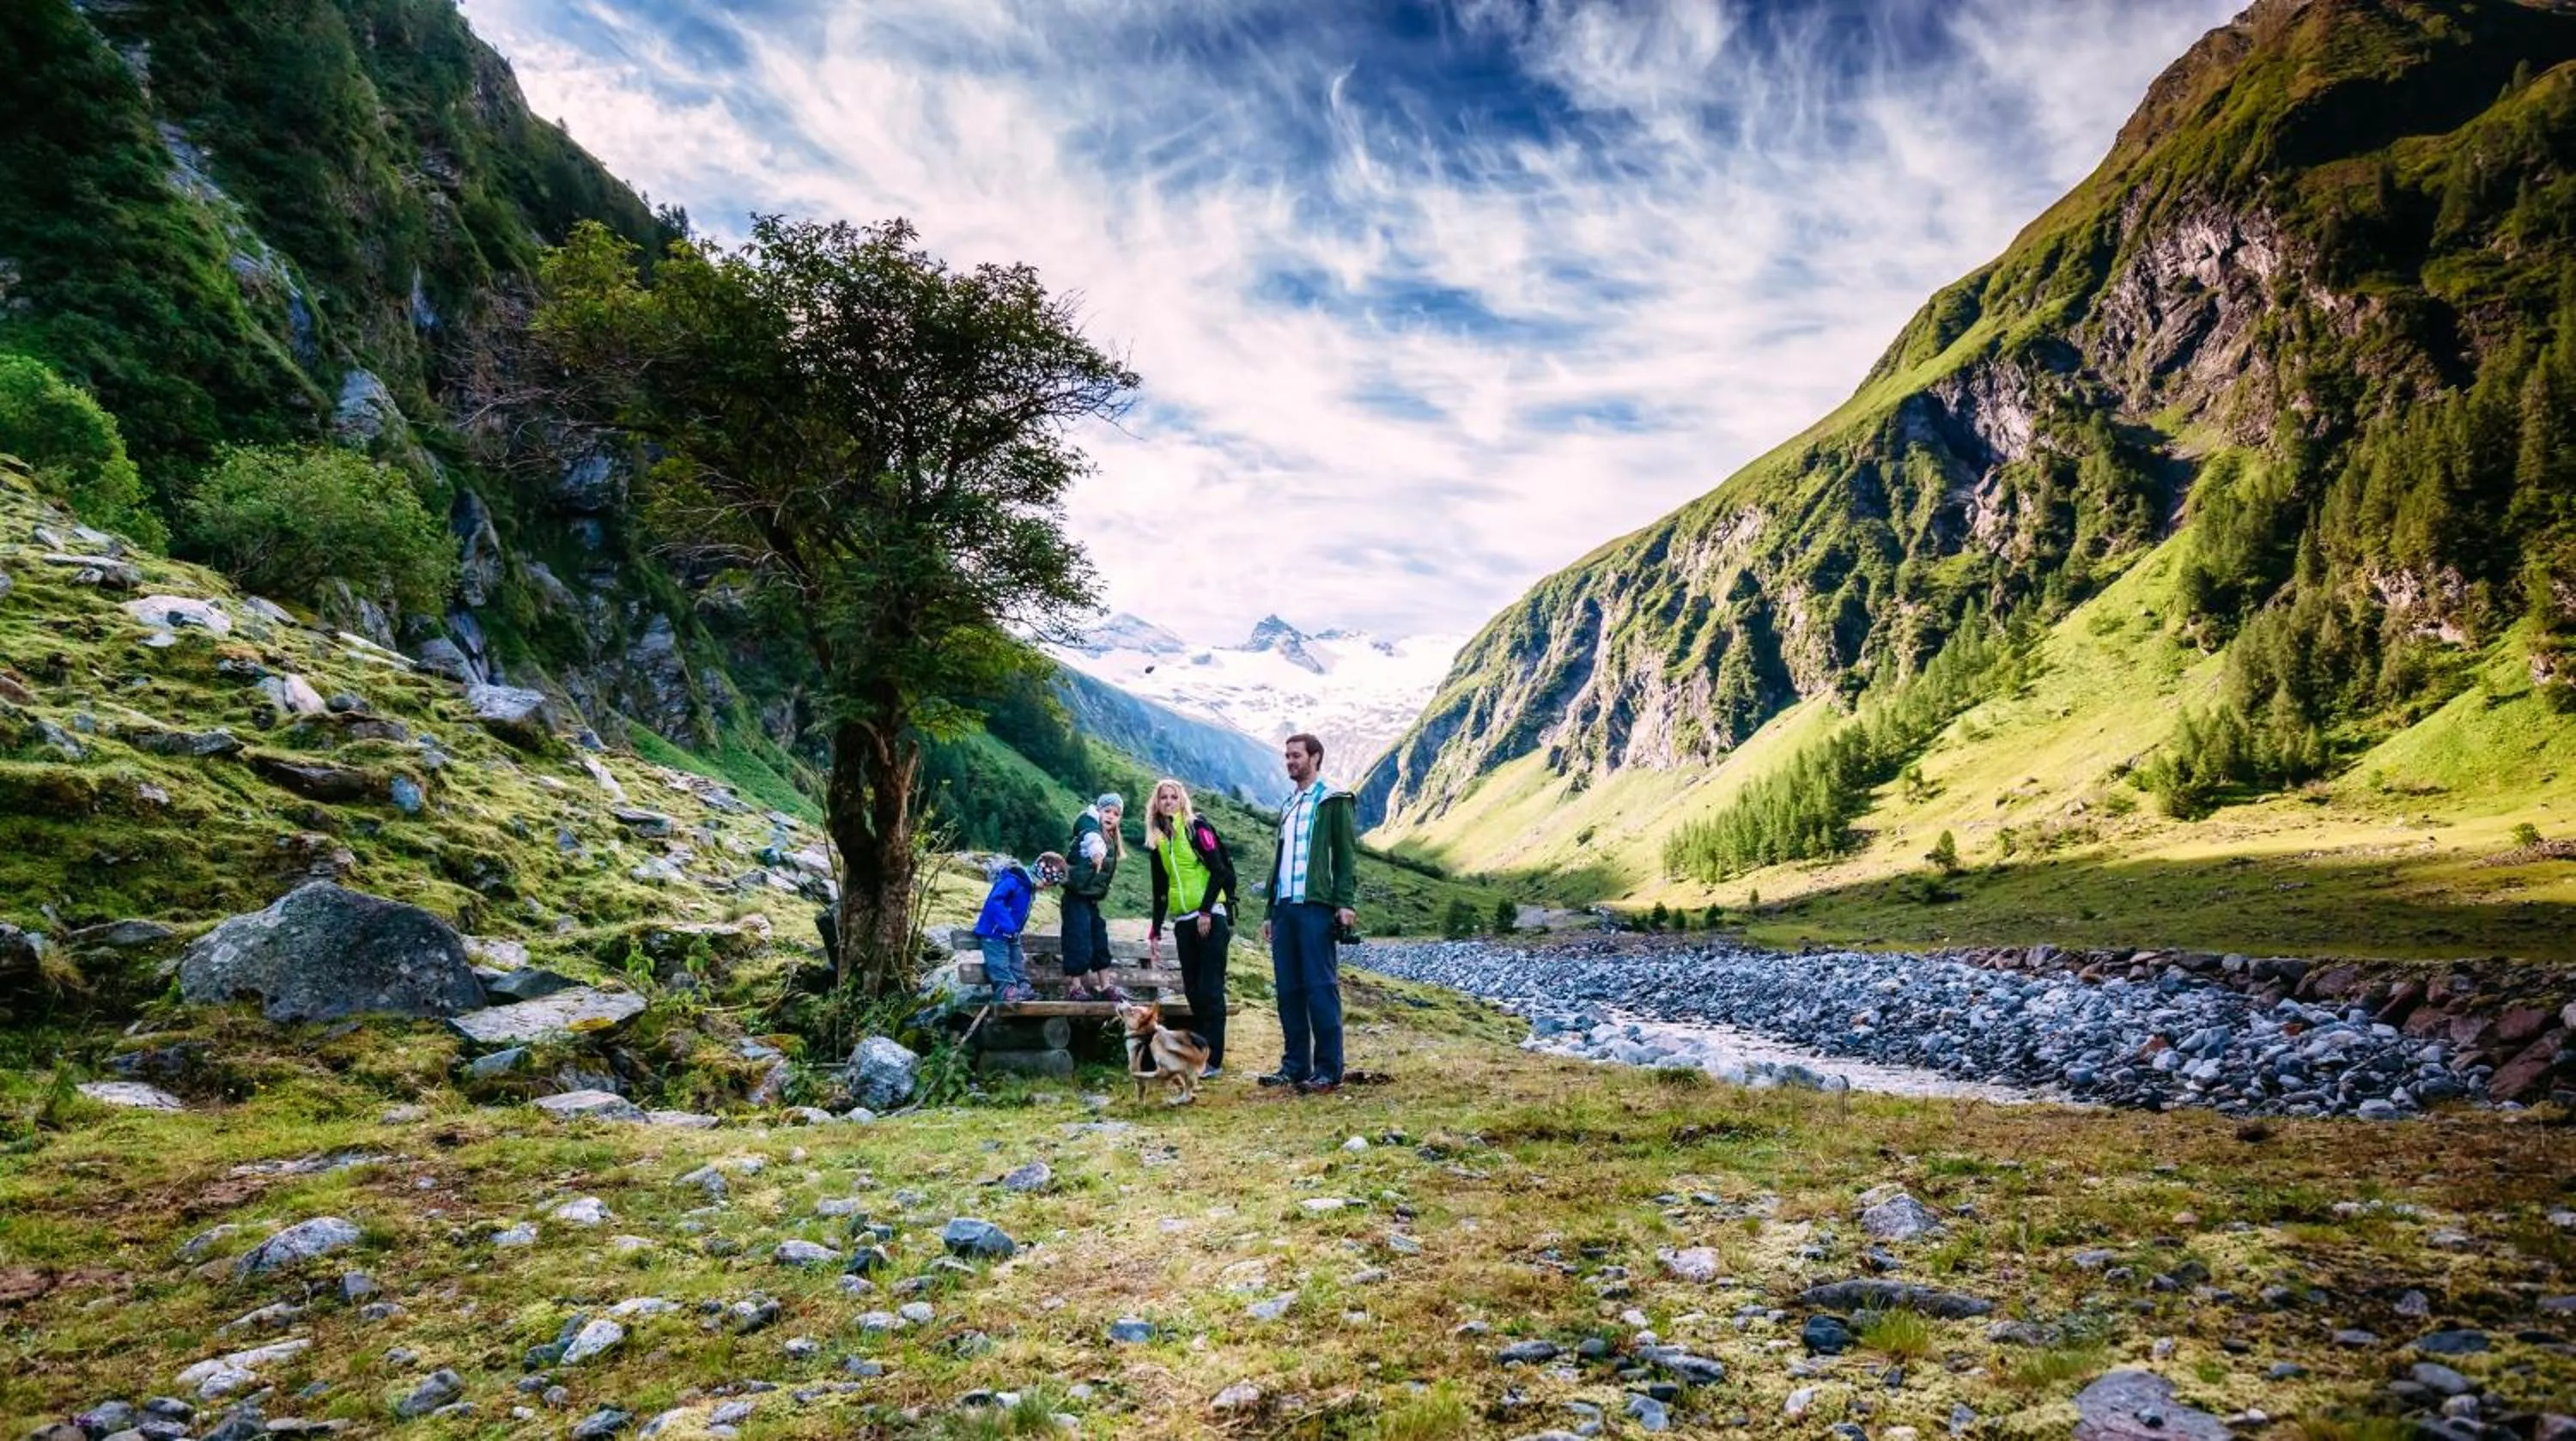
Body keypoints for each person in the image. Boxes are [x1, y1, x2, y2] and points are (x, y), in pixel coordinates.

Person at [1260, 733, 1358, 1094]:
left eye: (1296, 756)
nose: (1290, 762)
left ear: (1315, 757)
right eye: (1286, 756)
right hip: (1285, 907)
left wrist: (1345, 902)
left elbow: (1345, 856)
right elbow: (1279, 860)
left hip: (1316, 905)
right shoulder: (1288, 805)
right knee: (1289, 990)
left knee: (1320, 988)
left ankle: (1329, 1070)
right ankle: (1295, 1066)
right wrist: (1271, 909)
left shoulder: (1333, 800)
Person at [1145, 777, 1238, 1079]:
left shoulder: (1196, 828)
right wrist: (1156, 929)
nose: (1169, 801)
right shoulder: (1159, 840)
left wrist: (1205, 911)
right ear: (1157, 804)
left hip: (1210, 916)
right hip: (1183, 922)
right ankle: (1201, 1055)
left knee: (1211, 990)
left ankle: (1214, 1060)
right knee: (1193, 991)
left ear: (1181, 800)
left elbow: (1219, 870)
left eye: (1174, 796)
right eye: (1164, 798)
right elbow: (1160, 889)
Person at [970, 851, 1063, 1004]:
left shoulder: (1028, 887)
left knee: (1017, 961)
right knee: (998, 963)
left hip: (1012, 934)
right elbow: (995, 902)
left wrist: (1013, 930)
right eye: (1046, 883)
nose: (1045, 888)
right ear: (1040, 873)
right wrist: (1008, 925)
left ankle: (1022, 986)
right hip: (994, 933)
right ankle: (1006, 991)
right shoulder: (1013, 881)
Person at [1062, 792, 1127, 1001]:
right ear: (1098, 811)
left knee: (1100, 940)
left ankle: (1105, 986)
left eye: (1116, 814)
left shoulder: (1110, 839)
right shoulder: (1089, 830)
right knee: (1078, 938)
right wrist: (1097, 853)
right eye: (1107, 811)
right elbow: (1092, 841)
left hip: (1090, 900)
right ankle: (1075, 987)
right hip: (1075, 897)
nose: (1110, 816)